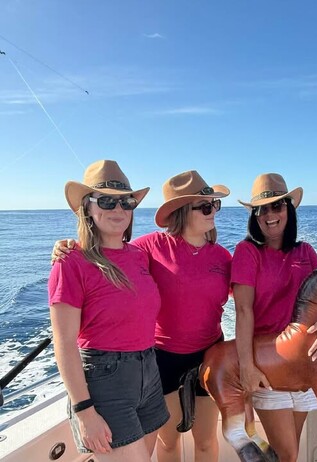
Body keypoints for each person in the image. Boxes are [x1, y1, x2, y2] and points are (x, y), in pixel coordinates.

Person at [52, 170, 232, 462]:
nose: (212, 211)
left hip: (208, 356)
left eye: (214, 205)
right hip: (160, 359)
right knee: (168, 442)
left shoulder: (223, 257)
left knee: (206, 439)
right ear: (181, 211)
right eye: (205, 206)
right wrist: (68, 246)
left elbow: (251, 299)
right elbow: (104, 255)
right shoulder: (147, 248)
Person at [48, 160, 169, 461]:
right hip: (105, 382)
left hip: (149, 372)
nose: (118, 209)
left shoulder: (139, 256)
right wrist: (84, 412)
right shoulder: (71, 262)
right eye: (106, 201)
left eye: (126, 201)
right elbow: (64, 342)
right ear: (87, 207)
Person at [231, 173, 317, 462]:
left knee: (287, 453)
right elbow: (243, 311)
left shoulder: (305, 251)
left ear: (289, 210)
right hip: (267, 365)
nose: (270, 215)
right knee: (288, 454)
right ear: (254, 216)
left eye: (277, 206)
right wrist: (246, 366)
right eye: (262, 209)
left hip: (305, 363)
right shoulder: (247, 252)